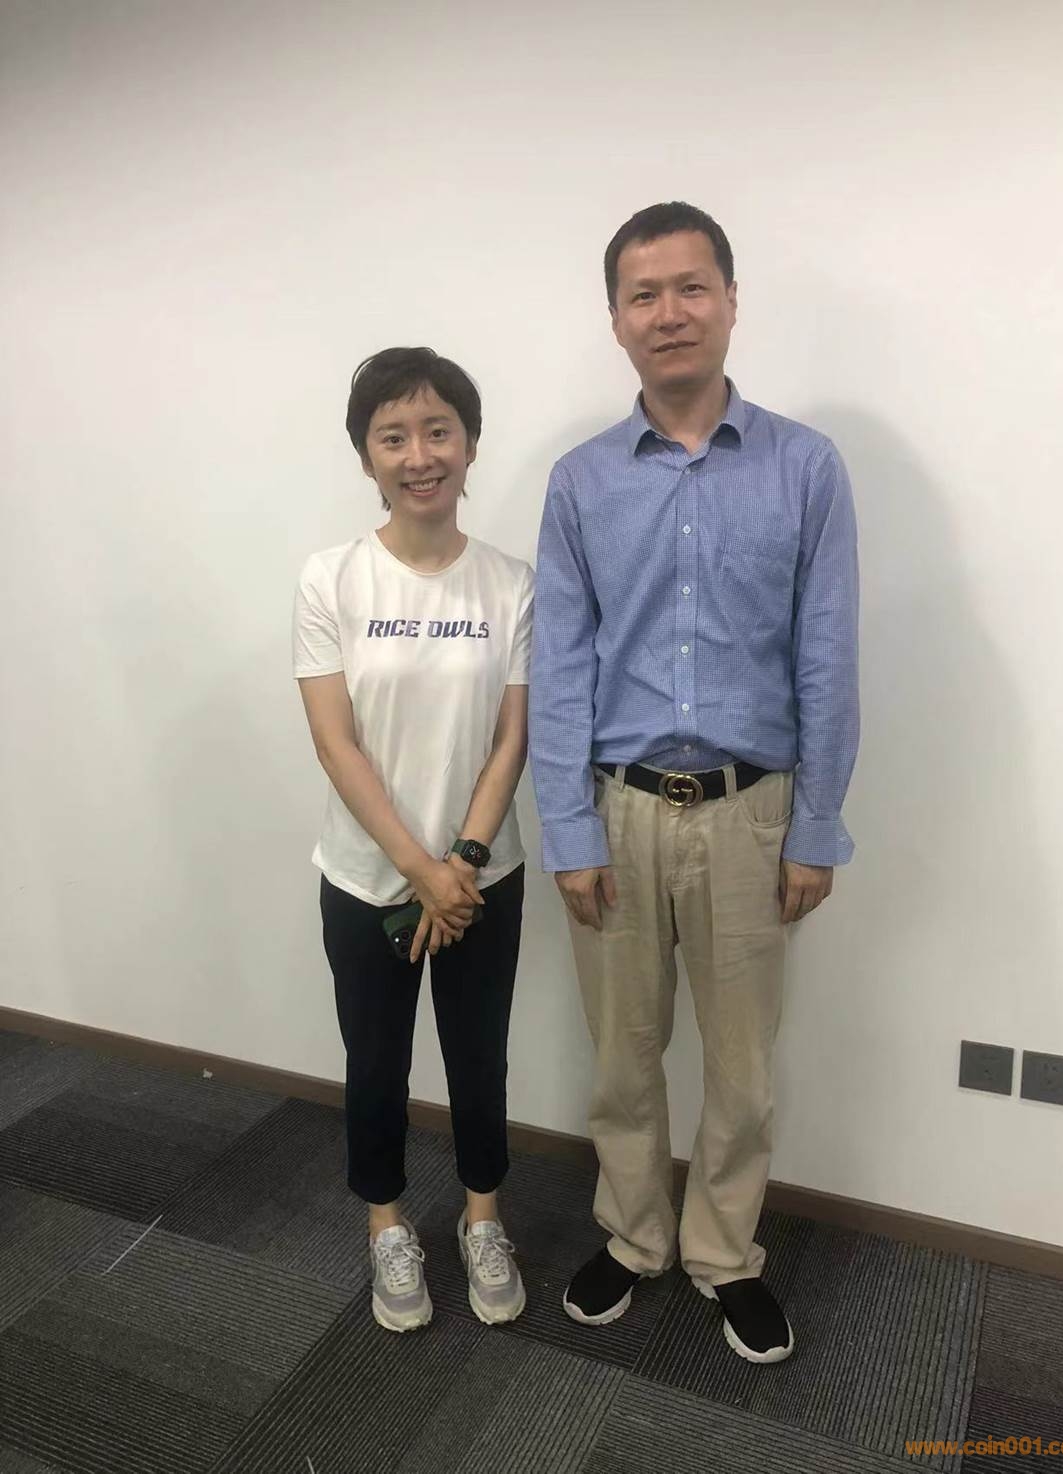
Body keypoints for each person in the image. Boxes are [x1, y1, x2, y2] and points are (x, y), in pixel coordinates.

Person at [530, 202, 860, 1362]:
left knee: (742, 1065)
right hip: (615, 811)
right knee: (621, 1056)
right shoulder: (580, 482)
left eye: (689, 287)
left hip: (751, 815)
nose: (667, 312)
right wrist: (566, 827)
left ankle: (724, 1251)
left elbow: (825, 657)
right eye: (643, 294)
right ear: (615, 319)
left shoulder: (804, 468)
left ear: (728, 300)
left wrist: (815, 824)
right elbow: (559, 664)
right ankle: (634, 1237)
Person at [293, 347, 533, 1332]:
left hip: (482, 878)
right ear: (366, 456)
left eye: (439, 431)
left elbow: (511, 738)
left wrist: (459, 866)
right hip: (367, 880)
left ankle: (483, 1217)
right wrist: (417, 870)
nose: (419, 454)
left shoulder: (510, 584)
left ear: (469, 444)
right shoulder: (331, 578)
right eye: (393, 436)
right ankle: (387, 1225)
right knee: (376, 1061)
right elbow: (335, 742)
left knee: (479, 1058)